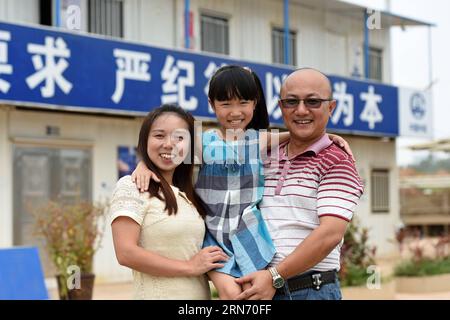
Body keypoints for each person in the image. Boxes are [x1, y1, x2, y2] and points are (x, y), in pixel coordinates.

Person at [132, 65, 354, 299]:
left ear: (255, 103)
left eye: (243, 103)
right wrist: (144, 164)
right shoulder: (204, 142)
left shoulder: (257, 141)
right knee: (231, 294)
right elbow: (169, 152)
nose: (235, 112)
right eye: (226, 104)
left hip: (250, 235)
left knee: (249, 291)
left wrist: (329, 137)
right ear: (212, 104)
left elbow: (295, 134)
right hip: (215, 233)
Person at [233, 68, 364, 300]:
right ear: (281, 106)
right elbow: (204, 150)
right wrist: (145, 164)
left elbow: (329, 234)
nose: (301, 110)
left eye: (313, 101)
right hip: (260, 290)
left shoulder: (338, 161)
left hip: (308, 292)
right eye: (291, 101)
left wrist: (274, 275)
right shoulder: (265, 155)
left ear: (331, 107)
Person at [110, 104, 228, 300]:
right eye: (159, 135)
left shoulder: (189, 196)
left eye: (179, 138)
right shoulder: (132, 186)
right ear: (145, 140)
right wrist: (190, 267)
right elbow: (125, 252)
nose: (168, 144)